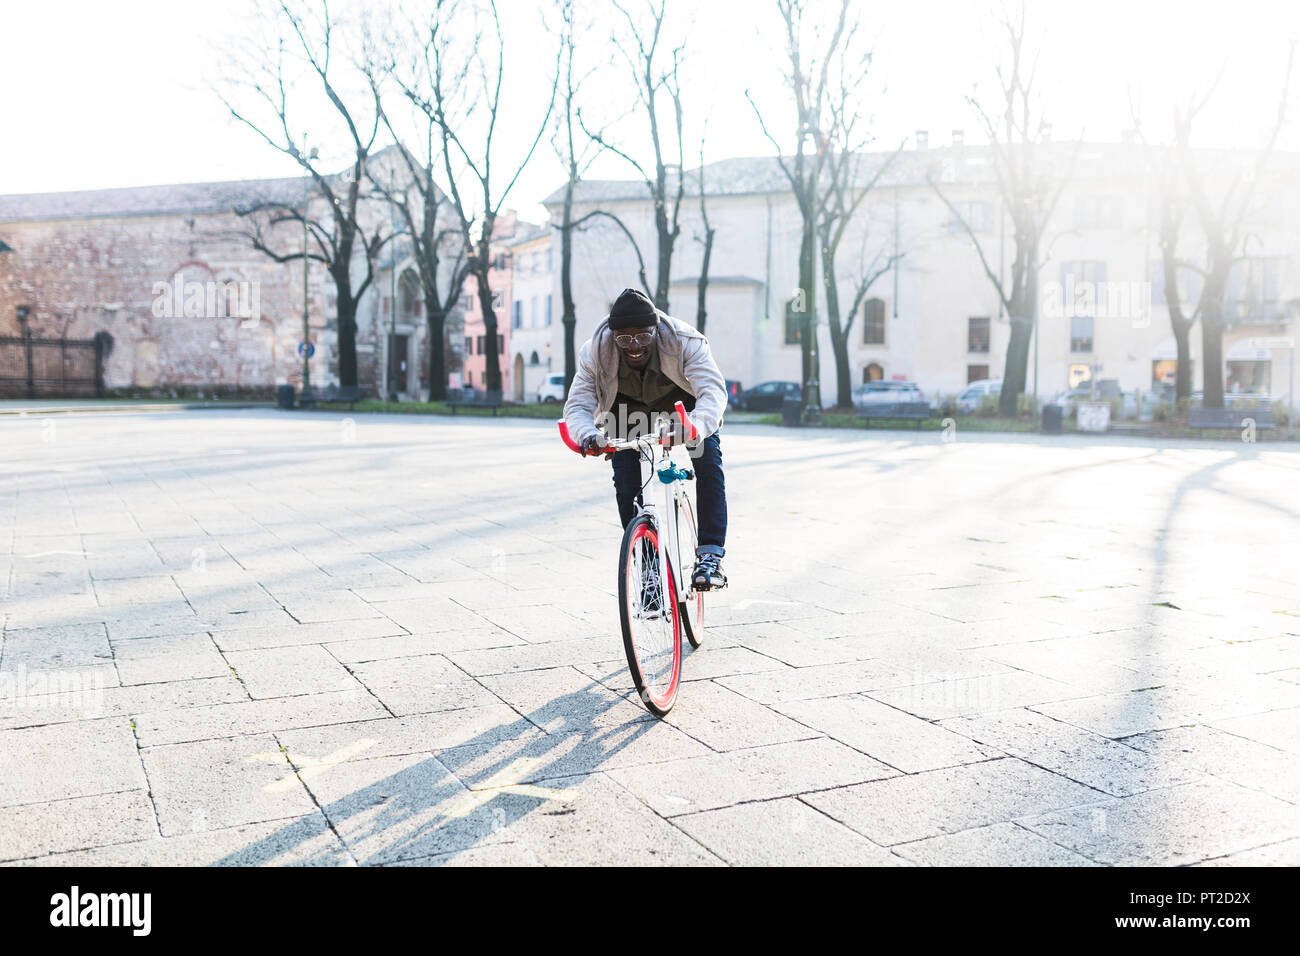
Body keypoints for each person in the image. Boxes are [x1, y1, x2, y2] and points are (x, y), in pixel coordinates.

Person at [563, 287, 728, 590]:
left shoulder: (683, 340)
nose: (635, 345)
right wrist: (587, 435)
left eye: (643, 336)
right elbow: (578, 405)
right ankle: (649, 571)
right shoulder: (596, 351)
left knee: (707, 461)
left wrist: (695, 427)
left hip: (683, 406)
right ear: (614, 336)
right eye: (624, 339)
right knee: (627, 486)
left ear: (655, 329)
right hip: (626, 411)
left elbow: (712, 392)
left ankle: (710, 555)